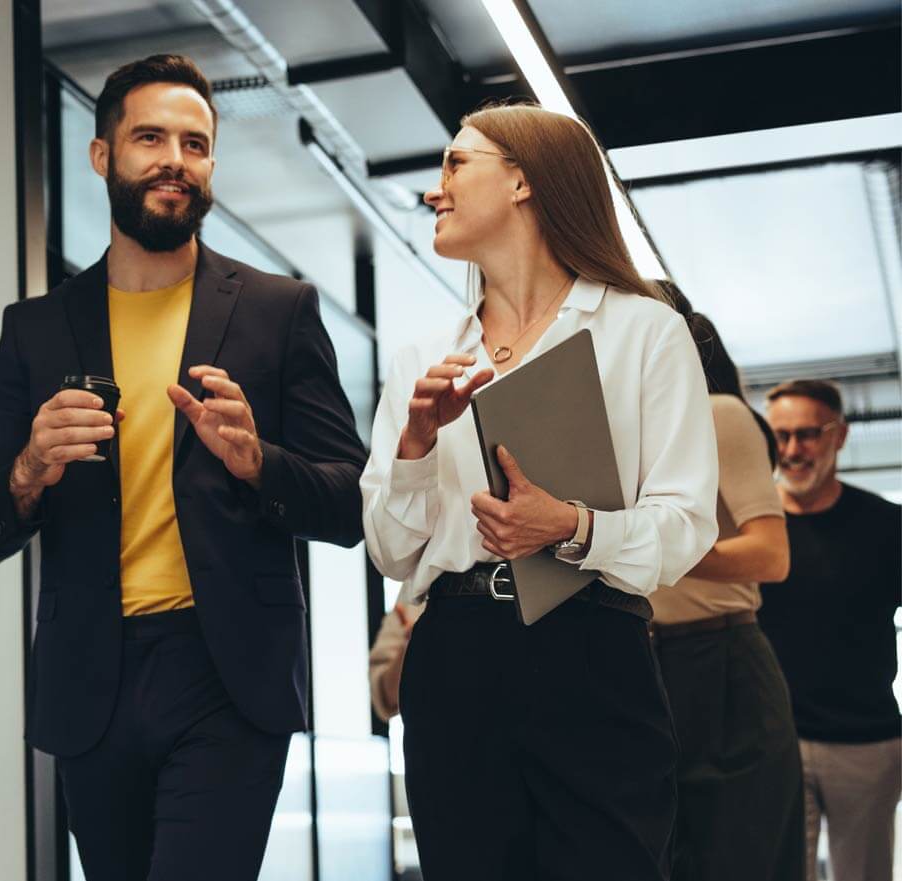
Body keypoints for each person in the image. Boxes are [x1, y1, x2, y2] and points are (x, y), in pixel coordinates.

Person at [0, 54, 367, 881]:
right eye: (150, 137)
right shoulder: (36, 329)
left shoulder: (278, 312)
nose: (175, 158)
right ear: (103, 155)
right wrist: (31, 465)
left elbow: (352, 504)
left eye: (195, 143)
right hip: (91, 680)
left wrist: (259, 463)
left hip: (227, 673)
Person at [360, 103, 719, 881]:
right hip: (453, 653)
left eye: (457, 164)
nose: (435, 189)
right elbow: (391, 552)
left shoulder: (643, 330)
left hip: (591, 648)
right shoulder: (425, 357)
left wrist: (570, 525)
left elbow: (686, 526)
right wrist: (417, 443)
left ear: (523, 180)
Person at [650, 288, 804, 881]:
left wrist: (644, 547)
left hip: (718, 662)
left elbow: (771, 554)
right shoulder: (632, 430)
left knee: (738, 858)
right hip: (647, 662)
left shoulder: (718, 413)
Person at [759, 379, 901, 881]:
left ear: (839, 436)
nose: (792, 450)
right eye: (780, 436)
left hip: (867, 746)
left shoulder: (888, 525)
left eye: (807, 434)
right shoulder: (752, 530)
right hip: (775, 746)